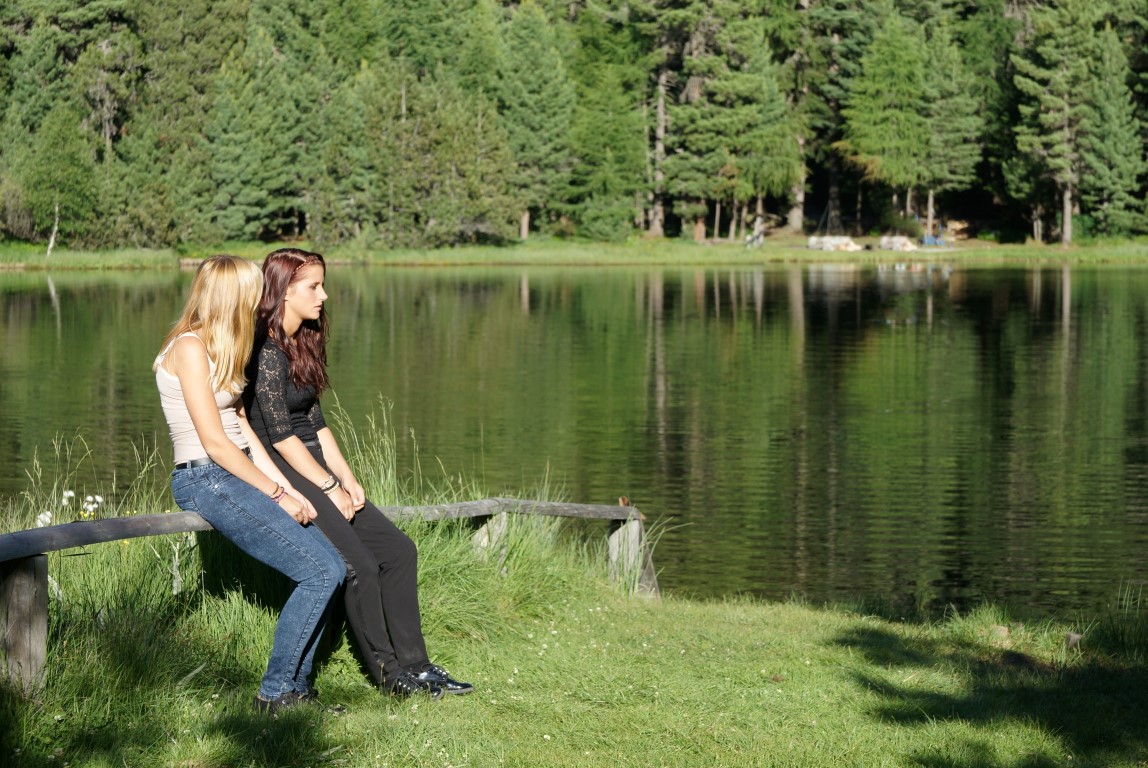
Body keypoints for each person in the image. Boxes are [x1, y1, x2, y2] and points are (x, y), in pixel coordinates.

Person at [243, 247, 472, 699]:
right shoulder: (266, 351)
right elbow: (282, 438)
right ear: (284, 291)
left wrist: (348, 479)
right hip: (287, 470)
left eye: (322, 285)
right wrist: (328, 486)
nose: (323, 295)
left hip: (315, 464)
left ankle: (418, 665)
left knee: (399, 551)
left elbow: (315, 423)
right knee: (360, 566)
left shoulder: (301, 342)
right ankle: (389, 674)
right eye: (313, 286)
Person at [154, 255, 345, 714]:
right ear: (231, 296)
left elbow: (243, 431)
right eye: (253, 292)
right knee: (319, 573)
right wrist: (276, 494)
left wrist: (288, 489)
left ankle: (297, 691)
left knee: (332, 567)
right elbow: (217, 443)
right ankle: (275, 693)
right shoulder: (189, 347)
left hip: (236, 471)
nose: (261, 301)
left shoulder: (225, 344)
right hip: (206, 477)